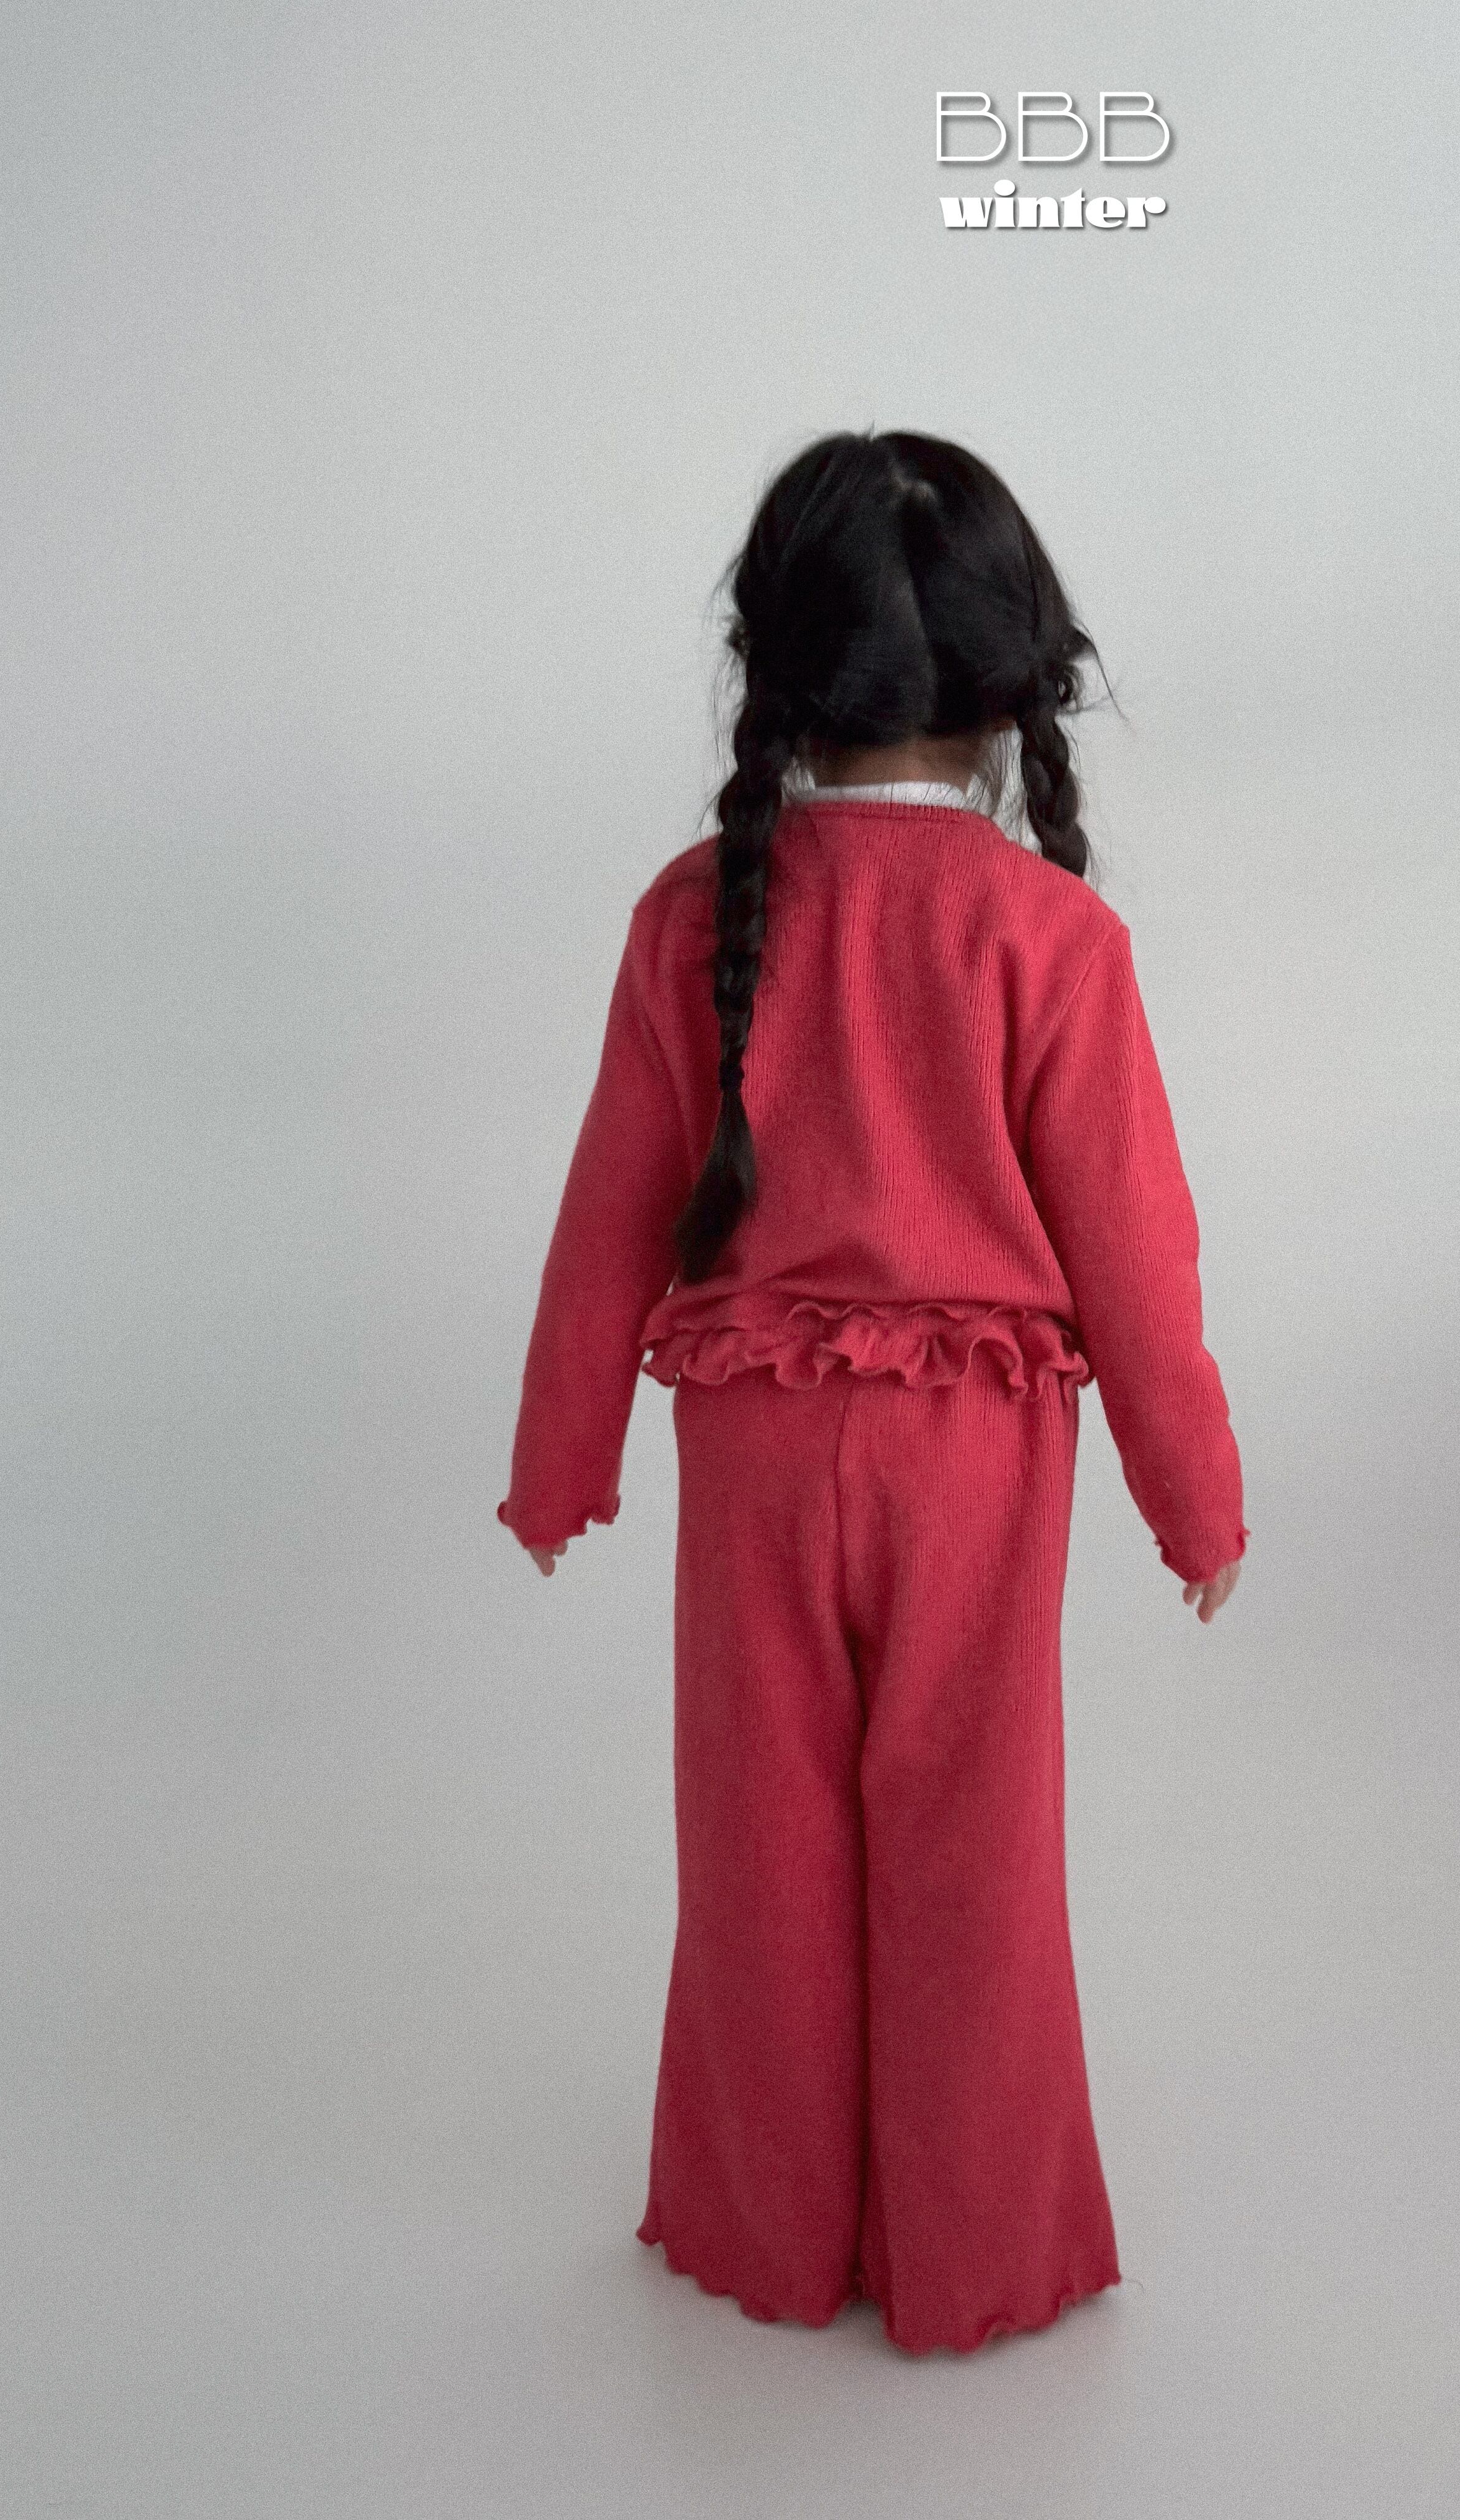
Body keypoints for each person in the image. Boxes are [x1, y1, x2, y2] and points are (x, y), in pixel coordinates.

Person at [493, 427, 1248, 2357]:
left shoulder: (696, 915)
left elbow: (606, 1217)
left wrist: (559, 1462)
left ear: (777, 666)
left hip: (752, 1451)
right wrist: (1194, 1499)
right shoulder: (1050, 937)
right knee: (970, 1842)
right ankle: (970, 2244)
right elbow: (1134, 1254)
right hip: (971, 1463)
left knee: (758, 1838)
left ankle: (766, 2226)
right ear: (1012, 685)